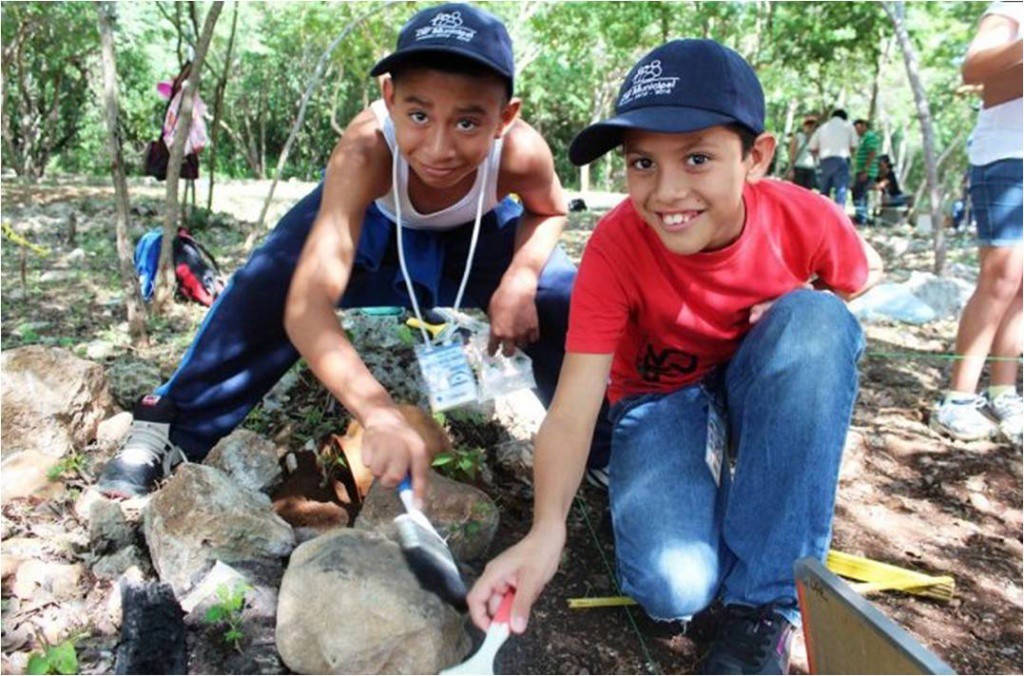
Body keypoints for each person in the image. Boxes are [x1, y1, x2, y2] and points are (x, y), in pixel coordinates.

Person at [467, 39, 882, 675]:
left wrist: (806, 297)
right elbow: (576, 406)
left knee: (817, 324)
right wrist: (544, 532)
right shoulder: (617, 247)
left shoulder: (802, 217)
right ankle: (705, 486)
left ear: (755, 158)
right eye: (642, 163)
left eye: (697, 158)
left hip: (756, 382)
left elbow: (864, 272)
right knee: (672, 589)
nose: (667, 192)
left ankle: (766, 610)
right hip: (661, 398)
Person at [98, 3, 610, 502]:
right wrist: (378, 412)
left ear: (505, 117)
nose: (438, 148)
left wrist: (520, 278)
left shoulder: (520, 151)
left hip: (477, 236)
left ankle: (605, 447)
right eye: (418, 114)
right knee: (268, 287)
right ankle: (174, 426)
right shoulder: (365, 151)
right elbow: (307, 307)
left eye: (468, 123)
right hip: (373, 226)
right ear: (388, 99)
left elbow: (549, 210)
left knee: (565, 298)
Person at [932, 1, 1022, 445]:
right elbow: (975, 69)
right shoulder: (1010, 9)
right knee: (1001, 275)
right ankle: (957, 398)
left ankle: (1004, 391)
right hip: (1008, 155)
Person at [808, 108, 858, 207]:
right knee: (840, 190)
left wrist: (820, 153)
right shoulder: (848, 126)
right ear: (845, 118)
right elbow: (854, 146)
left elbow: (812, 147)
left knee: (824, 190)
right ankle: (839, 215)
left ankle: (822, 213)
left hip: (825, 160)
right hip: (842, 160)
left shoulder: (823, 127)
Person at [850, 118, 880, 225]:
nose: (856, 131)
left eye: (857, 127)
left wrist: (866, 170)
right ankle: (862, 216)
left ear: (863, 126)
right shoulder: (862, 138)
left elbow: (872, 152)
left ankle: (861, 218)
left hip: (867, 172)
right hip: (861, 170)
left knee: (858, 193)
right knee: (860, 194)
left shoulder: (869, 136)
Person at [786, 116, 818, 190]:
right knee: (797, 190)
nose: (810, 127)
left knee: (808, 192)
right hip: (799, 168)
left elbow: (816, 155)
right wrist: (791, 169)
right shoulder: (798, 136)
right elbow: (792, 153)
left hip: (810, 169)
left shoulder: (816, 139)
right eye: (808, 125)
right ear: (804, 126)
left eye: (813, 126)